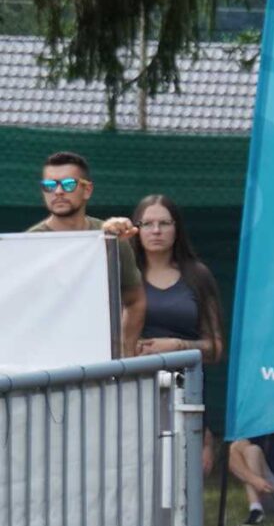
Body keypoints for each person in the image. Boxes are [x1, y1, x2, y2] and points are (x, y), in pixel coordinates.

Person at [30, 150, 143, 354]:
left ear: (87, 190)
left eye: (68, 184)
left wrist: (124, 354)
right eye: (49, 185)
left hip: (101, 360)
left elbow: (135, 300)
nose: (58, 191)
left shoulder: (111, 237)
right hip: (47, 358)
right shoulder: (30, 243)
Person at [128, 195, 226, 367]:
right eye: (147, 224)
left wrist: (179, 346)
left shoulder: (198, 275)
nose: (156, 230)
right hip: (134, 376)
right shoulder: (123, 275)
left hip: (185, 379)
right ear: (137, 230)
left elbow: (215, 348)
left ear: (177, 229)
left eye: (164, 223)